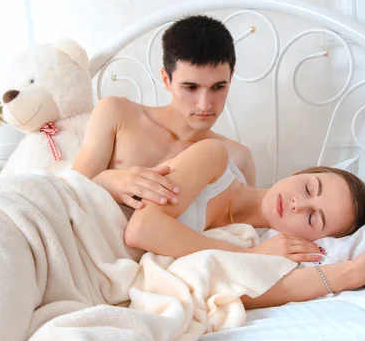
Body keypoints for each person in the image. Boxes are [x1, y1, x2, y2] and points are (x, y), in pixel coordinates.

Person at [123, 139, 365, 308]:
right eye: (310, 188)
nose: (298, 203)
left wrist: (359, 272)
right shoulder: (214, 160)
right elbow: (142, 229)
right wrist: (249, 258)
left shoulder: (262, 243)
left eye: (313, 218)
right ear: (304, 172)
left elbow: (254, 292)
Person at [72, 14, 256, 216]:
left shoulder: (237, 158)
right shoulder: (117, 114)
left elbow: (245, 228)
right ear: (166, 79)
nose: (205, 104)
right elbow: (69, 193)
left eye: (218, 87)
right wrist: (108, 181)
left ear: (231, 78)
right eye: (190, 87)